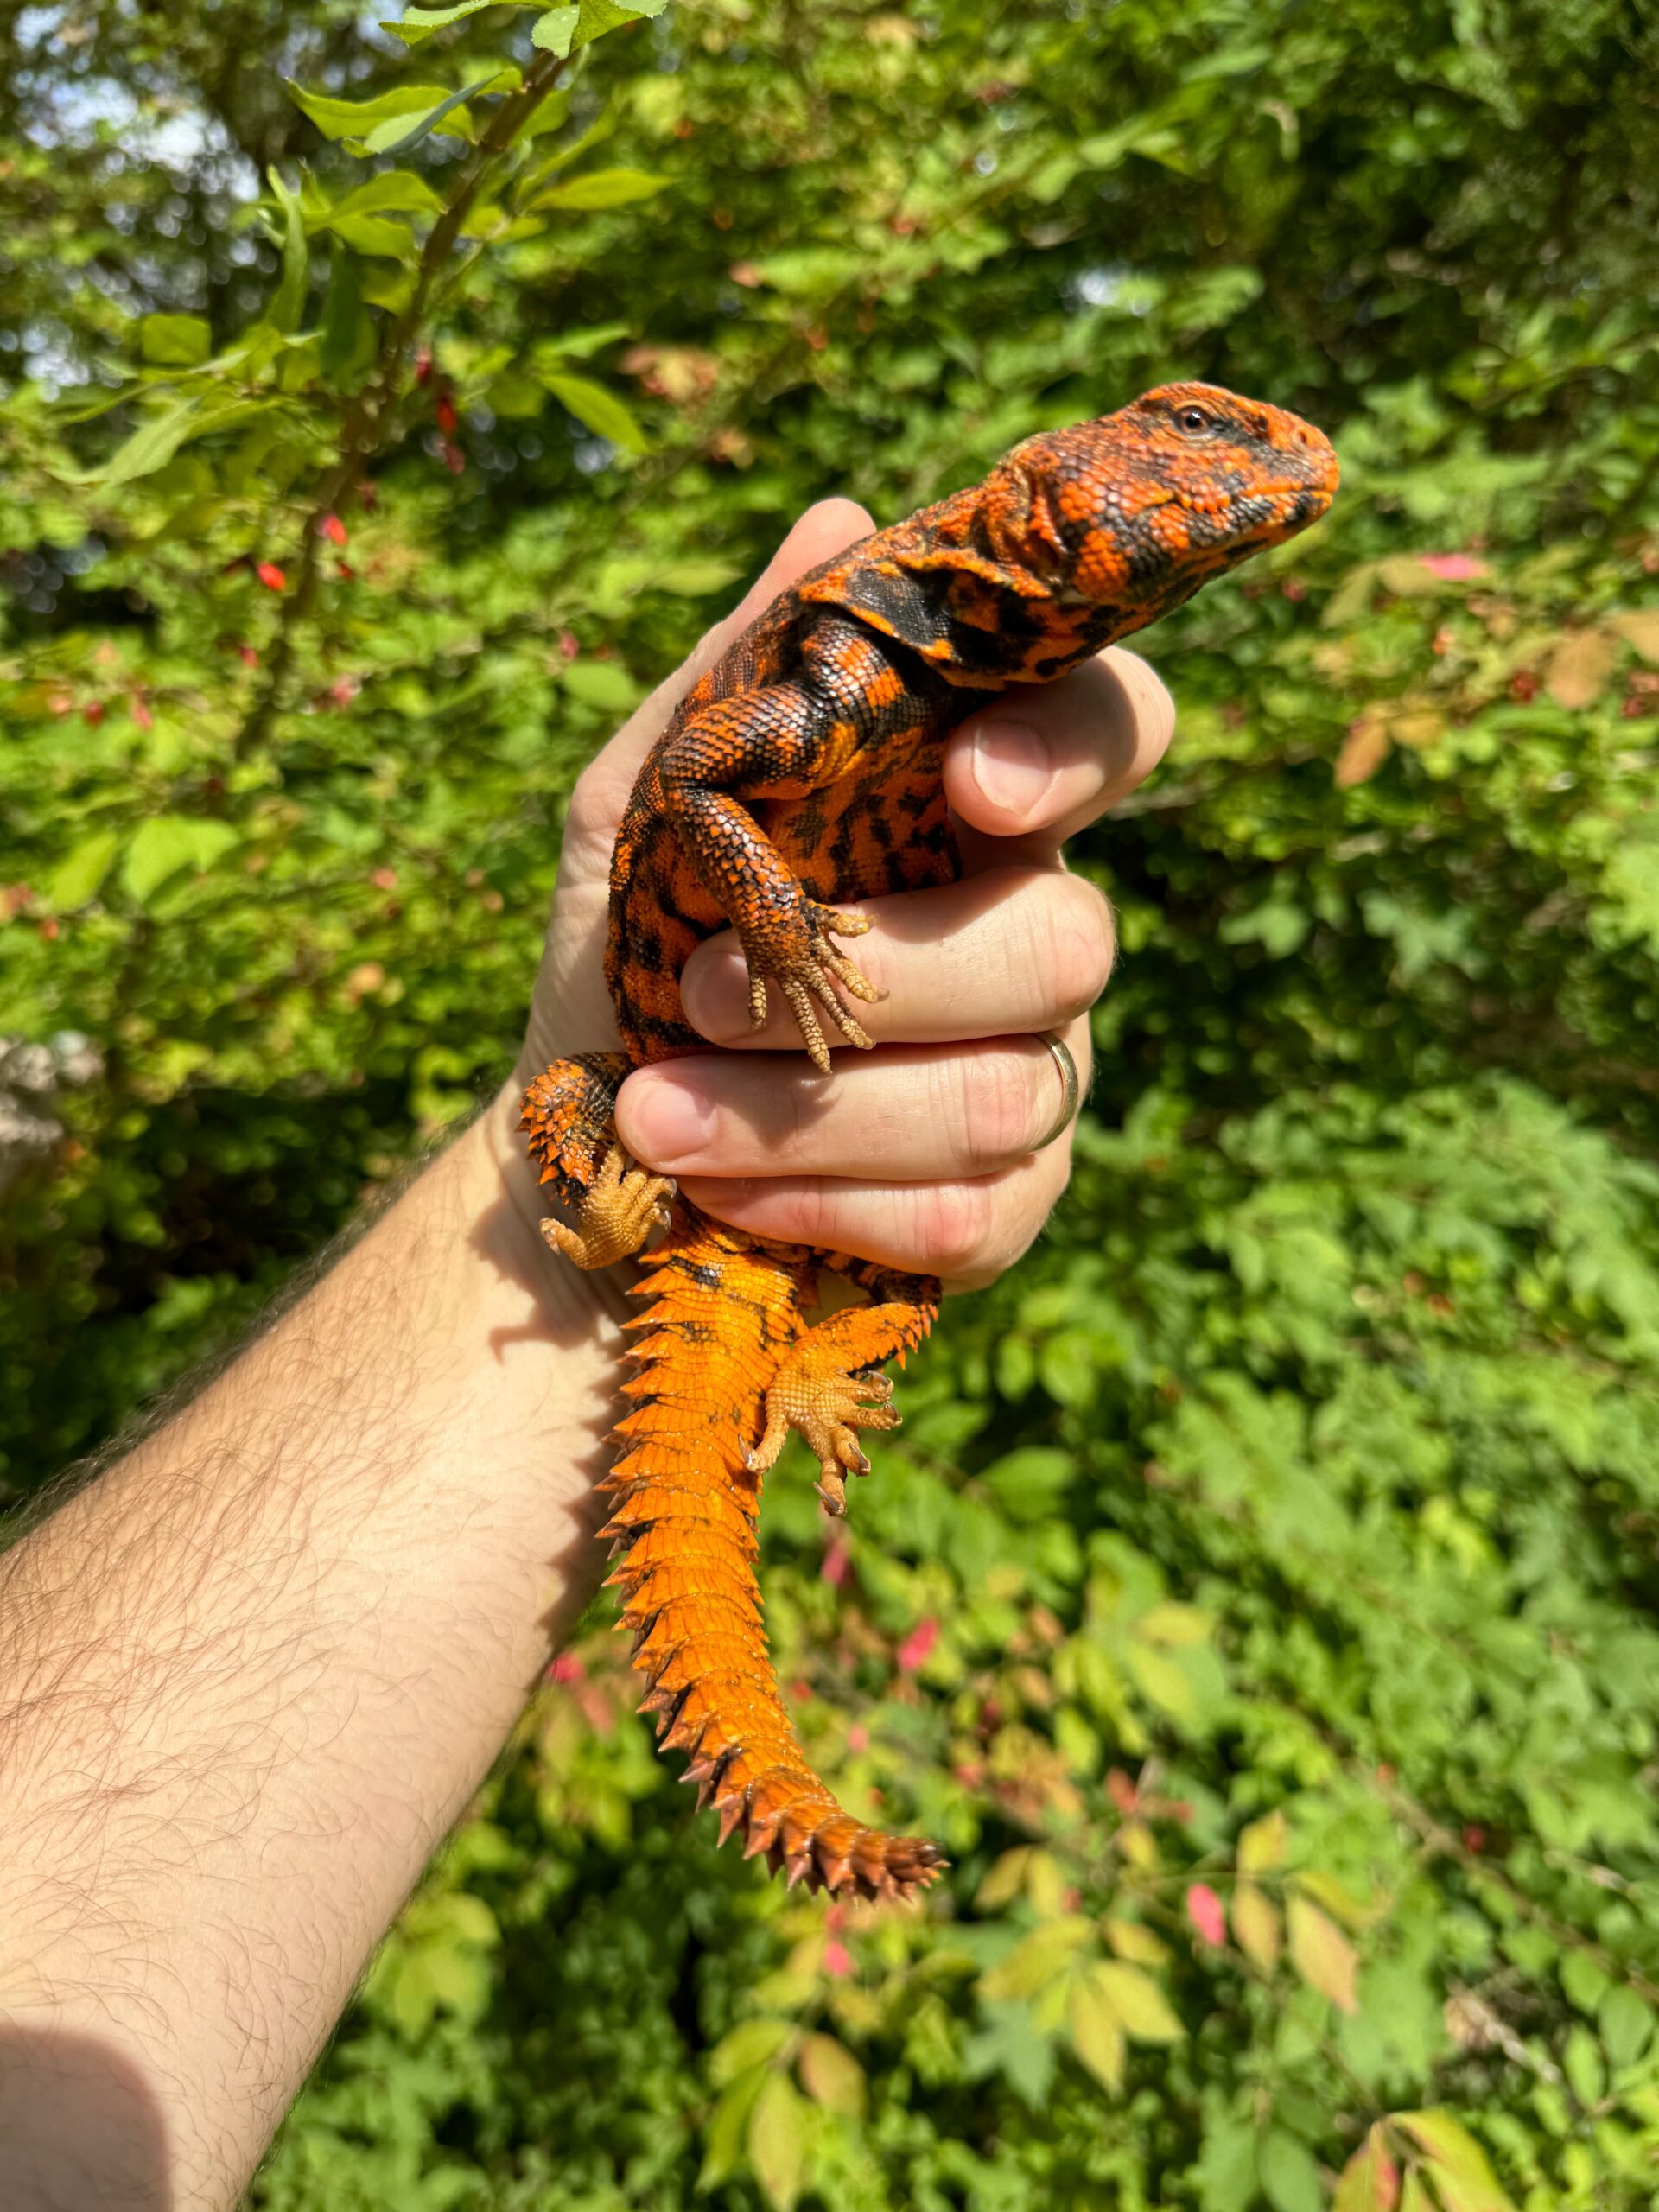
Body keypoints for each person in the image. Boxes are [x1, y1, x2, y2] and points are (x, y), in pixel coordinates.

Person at [0, 498, 1173, 2210]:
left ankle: (802, 1362)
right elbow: (696, 797)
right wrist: (774, 941)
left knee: (876, 1252)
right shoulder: (860, 633)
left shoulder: (969, 691)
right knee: (564, 1105)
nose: (1243, 467)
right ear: (1055, 493)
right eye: (1197, 432)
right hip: (653, 1168)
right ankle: (752, 1333)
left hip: (728, 1241)